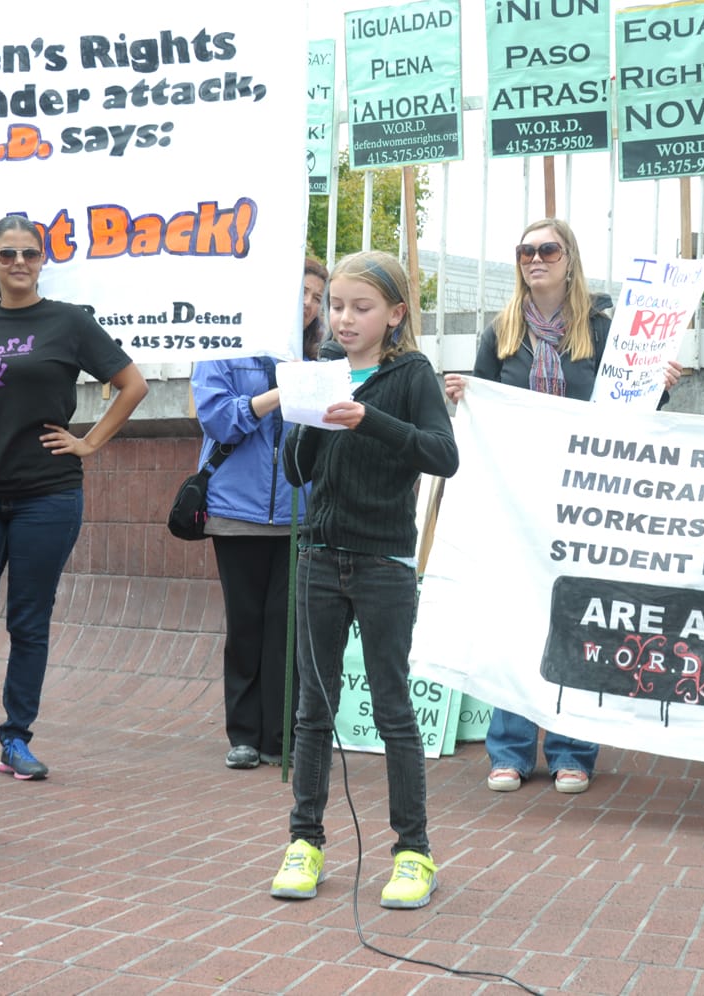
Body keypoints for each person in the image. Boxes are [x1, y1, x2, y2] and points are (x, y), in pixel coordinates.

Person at [444, 218, 681, 797]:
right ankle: (510, 751)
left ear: (569, 259)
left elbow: (629, 406)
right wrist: (467, 395)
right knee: (517, 619)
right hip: (518, 498)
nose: (535, 259)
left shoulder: (601, 330)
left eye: (547, 249)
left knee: (579, 618)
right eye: (525, 250)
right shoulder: (501, 332)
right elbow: (484, 408)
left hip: (584, 497)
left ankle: (573, 750)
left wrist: (659, 385)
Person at [270, 251, 458, 911]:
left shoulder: (411, 374)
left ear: (396, 314)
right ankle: (304, 842)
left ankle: (413, 852)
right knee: (312, 709)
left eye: (361, 307)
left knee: (392, 709)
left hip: (383, 565)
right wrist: (308, 417)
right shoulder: (323, 367)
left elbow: (443, 454)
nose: (344, 318)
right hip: (319, 559)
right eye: (337, 306)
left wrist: (367, 417)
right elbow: (296, 472)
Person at [0, 214, 147, 781]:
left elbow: (133, 385)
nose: (19, 263)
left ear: (42, 259)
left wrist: (89, 442)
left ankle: (15, 739)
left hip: (47, 496)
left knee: (28, 622)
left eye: (29, 253)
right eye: (7, 254)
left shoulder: (68, 322)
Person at [192, 257, 326, 770]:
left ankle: (281, 735)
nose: (309, 304)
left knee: (286, 627)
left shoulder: (317, 357)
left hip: (297, 512)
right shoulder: (223, 346)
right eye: (302, 292)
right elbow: (217, 418)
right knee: (245, 623)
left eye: (317, 297)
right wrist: (275, 395)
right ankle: (244, 734)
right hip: (237, 510)